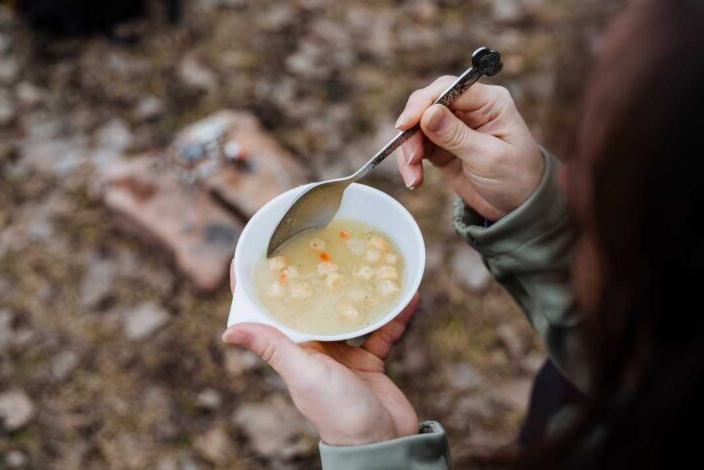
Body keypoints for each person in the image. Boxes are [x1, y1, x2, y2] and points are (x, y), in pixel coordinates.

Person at [222, 0, 704, 467]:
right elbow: (636, 340)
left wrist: (378, 453)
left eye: (602, 175)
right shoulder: (655, 362)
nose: (566, 180)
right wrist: (532, 210)